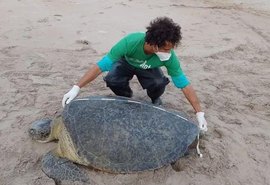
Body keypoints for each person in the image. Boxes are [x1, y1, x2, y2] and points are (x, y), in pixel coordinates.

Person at [62, 17, 208, 132]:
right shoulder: (130, 42)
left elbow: (184, 84)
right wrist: (77, 87)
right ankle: (126, 97)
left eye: (171, 48)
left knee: (158, 83)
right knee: (112, 79)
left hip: (148, 68)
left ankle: (155, 98)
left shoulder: (169, 57)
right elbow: (102, 65)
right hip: (127, 63)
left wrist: (199, 113)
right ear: (153, 44)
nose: (169, 52)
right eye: (166, 48)